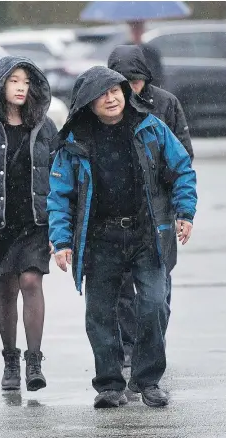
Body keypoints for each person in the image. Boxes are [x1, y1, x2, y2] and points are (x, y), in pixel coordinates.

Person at [47, 66, 197, 409]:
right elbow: (59, 196)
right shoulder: (75, 142)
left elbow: (182, 170)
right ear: (88, 102)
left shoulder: (151, 127)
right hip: (100, 239)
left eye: (115, 91)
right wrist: (62, 240)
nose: (111, 98)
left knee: (154, 304)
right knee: (99, 313)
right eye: (102, 94)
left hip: (148, 234)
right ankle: (110, 384)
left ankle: (148, 381)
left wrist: (184, 213)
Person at [0, 56, 58, 392]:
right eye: (14, 80)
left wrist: (62, 231)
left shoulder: (45, 127)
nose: (21, 87)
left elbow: (60, 178)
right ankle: (10, 361)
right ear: (0, 84)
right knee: (7, 287)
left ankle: (34, 362)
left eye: (27, 82)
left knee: (32, 280)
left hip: (35, 220)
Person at [108, 44, 194, 367]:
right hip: (120, 211)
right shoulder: (107, 103)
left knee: (159, 284)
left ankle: (152, 342)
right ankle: (130, 344)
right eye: (125, 80)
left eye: (137, 80)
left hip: (159, 207)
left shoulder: (165, 104)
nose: (132, 88)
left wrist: (180, 207)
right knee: (124, 285)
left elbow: (183, 155)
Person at [127, 20, 164, 88]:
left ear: (142, 30)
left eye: (138, 29)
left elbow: (158, 73)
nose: (136, 32)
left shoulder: (151, 51)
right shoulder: (123, 49)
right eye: (134, 29)